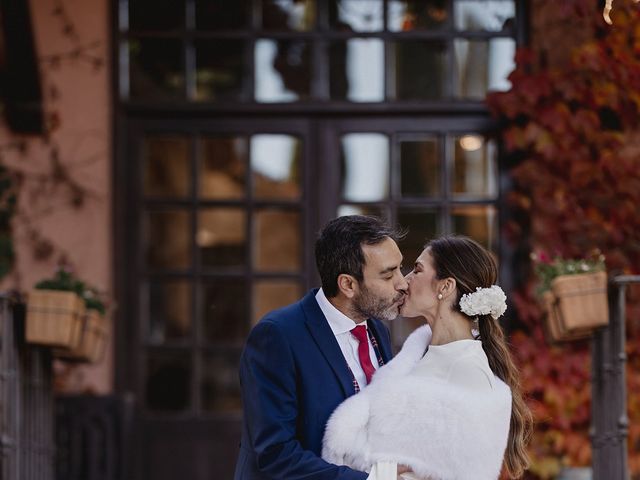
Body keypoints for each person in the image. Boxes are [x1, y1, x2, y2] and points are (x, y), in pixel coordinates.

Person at [322, 235, 533, 480]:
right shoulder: (416, 354)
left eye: (417, 270)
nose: (404, 282)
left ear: (445, 287)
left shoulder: (468, 371)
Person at [234, 215, 409, 480]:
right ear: (348, 284)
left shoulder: (377, 330)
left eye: (400, 268)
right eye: (388, 275)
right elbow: (275, 453)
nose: (402, 283)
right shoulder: (277, 336)